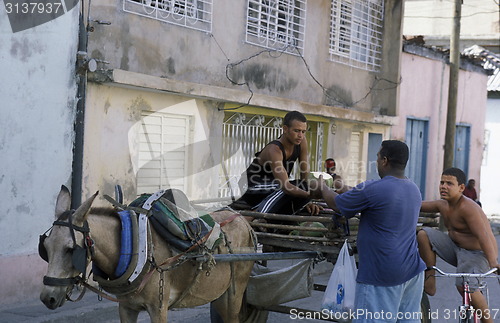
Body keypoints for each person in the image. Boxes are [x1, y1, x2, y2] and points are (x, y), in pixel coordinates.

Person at [312, 140, 426, 322]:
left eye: (378, 157)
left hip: (381, 275)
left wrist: (323, 188)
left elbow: (337, 205)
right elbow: (359, 195)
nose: (377, 161)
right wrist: (339, 185)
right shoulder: (413, 189)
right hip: (412, 272)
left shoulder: (375, 188)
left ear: (385, 160)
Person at [418, 167, 499, 323]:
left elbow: (484, 236)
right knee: (423, 234)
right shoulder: (443, 204)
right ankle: (430, 280)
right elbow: (419, 205)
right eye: (442, 182)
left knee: (465, 286)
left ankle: (488, 321)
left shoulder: (468, 208)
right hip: (456, 250)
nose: (443, 186)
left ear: (461, 188)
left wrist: (494, 263)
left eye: (449, 183)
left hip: (476, 254)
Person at [230, 110, 320, 215]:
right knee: (287, 188)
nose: (300, 135)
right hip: (251, 187)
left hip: (272, 186)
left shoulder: (301, 142)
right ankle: (256, 215)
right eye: (297, 131)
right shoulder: (274, 149)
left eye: (303, 131)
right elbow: (286, 186)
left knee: (301, 185)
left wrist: (306, 200)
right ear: (285, 129)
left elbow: (305, 172)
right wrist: (308, 195)